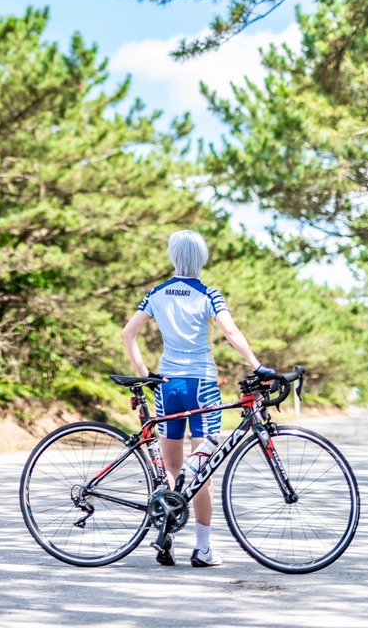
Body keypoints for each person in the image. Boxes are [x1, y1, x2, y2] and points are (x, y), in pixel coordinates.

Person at [121, 228, 271, 569]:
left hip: (168, 385)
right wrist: (257, 366)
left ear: (173, 257)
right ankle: (203, 549)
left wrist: (145, 374)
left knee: (171, 469)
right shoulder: (208, 294)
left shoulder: (156, 293)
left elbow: (128, 333)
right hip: (201, 384)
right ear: (201, 258)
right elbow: (231, 333)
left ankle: (166, 539)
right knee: (201, 468)